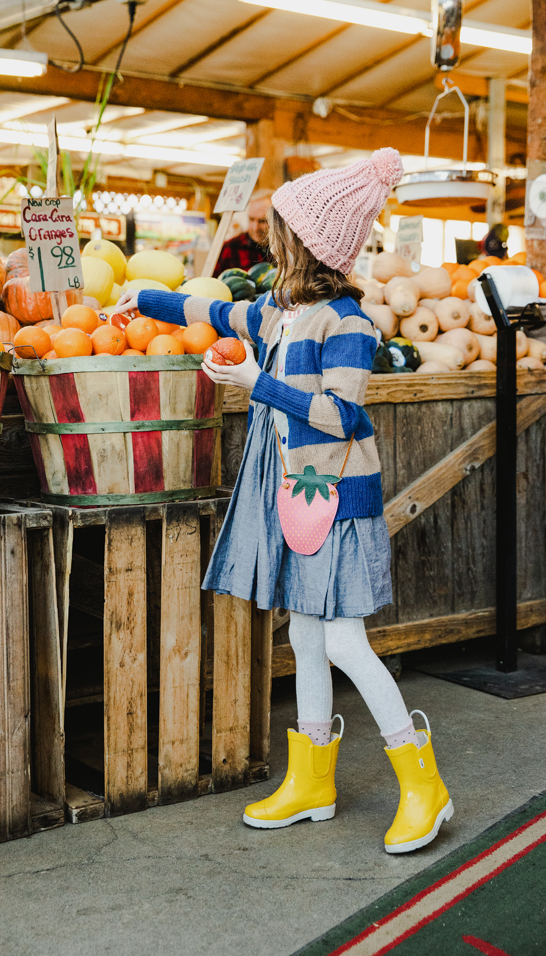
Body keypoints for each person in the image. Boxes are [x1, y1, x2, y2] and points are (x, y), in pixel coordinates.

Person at [115, 149, 452, 854]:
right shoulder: (284, 311)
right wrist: (146, 300)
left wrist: (253, 385)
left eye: (282, 227)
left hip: (341, 502)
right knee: (303, 635)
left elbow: (340, 415)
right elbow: (225, 310)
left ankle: (426, 786)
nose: (270, 234)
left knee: (341, 640)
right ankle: (313, 782)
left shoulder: (349, 325)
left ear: (306, 244)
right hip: (297, 498)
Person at [213, 190, 271, 276]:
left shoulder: (288, 248)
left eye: (263, 221)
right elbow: (214, 284)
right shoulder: (231, 248)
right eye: (251, 219)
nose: (255, 228)